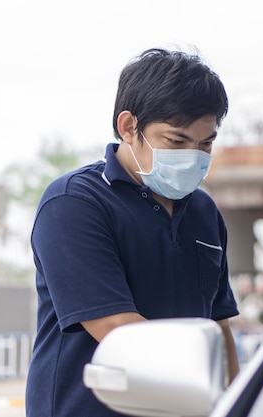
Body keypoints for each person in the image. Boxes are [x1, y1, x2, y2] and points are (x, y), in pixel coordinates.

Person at [25, 47, 240, 417]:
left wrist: (240, 401)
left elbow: (218, 327)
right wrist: (204, 388)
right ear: (128, 127)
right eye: (176, 141)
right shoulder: (73, 204)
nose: (194, 156)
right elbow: (119, 331)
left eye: (206, 143)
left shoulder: (204, 212)